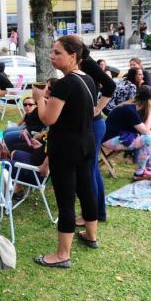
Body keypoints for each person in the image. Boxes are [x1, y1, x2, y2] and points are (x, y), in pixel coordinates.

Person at [32, 35, 98, 268]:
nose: (52, 56)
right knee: (86, 188)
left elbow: (47, 118)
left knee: (66, 199)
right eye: (52, 51)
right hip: (86, 143)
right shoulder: (88, 79)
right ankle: (91, 235)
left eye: (57, 52)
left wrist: (40, 98)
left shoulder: (65, 83)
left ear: (73, 56)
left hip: (67, 148)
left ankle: (62, 254)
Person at [77, 45, 116, 225]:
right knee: (92, 170)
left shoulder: (88, 65)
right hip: (92, 124)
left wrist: (99, 107)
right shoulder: (82, 66)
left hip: (94, 124)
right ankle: (98, 212)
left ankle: (91, 215)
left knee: (89, 171)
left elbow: (110, 84)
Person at [102, 86, 151, 181]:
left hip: (120, 137)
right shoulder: (130, 110)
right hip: (110, 140)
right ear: (148, 101)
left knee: (149, 138)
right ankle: (139, 173)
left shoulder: (132, 107)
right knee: (149, 139)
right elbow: (145, 131)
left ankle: (147, 169)